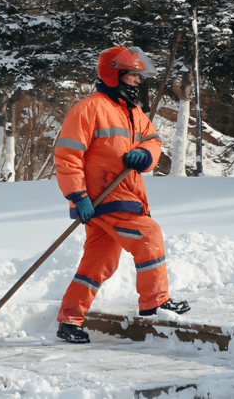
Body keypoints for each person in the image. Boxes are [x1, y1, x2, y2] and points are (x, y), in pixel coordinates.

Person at [53, 46, 190, 344]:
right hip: (104, 198)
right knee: (149, 234)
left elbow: (153, 139)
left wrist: (144, 153)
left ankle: (69, 320)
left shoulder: (132, 111)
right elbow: (67, 156)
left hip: (125, 194)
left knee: (100, 261)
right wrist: (78, 196)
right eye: (131, 76)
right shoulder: (88, 109)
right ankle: (155, 301)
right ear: (113, 75)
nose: (137, 82)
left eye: (138, 76)